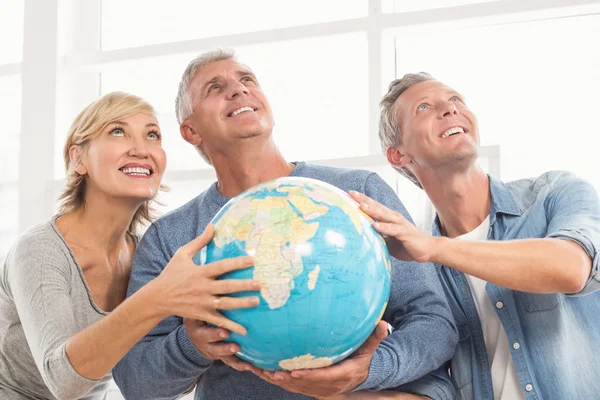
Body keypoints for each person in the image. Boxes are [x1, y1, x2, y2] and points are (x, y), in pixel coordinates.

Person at [112, 49, 458, 400]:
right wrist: (194, 346)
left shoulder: (359, 195)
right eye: (215, 88)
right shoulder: (170, 238)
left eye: (247, 80)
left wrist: (370, 369)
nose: (238, 90)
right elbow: (135, 382)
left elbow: (434, 321)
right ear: (190, 130)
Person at [350, 72, 600, 400]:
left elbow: (572, 268)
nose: (450, 109)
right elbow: (435, 391)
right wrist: (346, 385)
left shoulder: (554, 193)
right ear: (399, 155)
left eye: (456, 100)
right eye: (424, 108)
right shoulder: (418, 274)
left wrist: (434, 248)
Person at [0, 92, 258, 399]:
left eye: (152, 135)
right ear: (78, 158)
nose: (141, 149)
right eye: (117, 131)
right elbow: (64, 382)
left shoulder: (147, 252)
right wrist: (160, 296)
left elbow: (153, 375)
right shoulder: (39, 251)